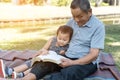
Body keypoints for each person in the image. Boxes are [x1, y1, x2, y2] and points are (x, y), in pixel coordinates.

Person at [19, 0, 105, 80]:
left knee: (71, 72)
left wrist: (71, 63)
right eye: (73, 16)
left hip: (85, 62)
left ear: (90, 12)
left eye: (79, 16)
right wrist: (44, 49)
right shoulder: (71, 22)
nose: (76, 20)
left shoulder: (98, 26)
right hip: (66, 56)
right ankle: (28, 77)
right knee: (43, 63)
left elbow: (94, 55)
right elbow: (59, 38)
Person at [0, 25, 73, 79]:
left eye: (64, 40)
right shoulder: (52, 40)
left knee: (38, 65)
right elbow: (43, 49)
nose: (61, 41)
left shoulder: (67, 47)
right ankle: (11, 70)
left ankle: (21, 74)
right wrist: (44, 51)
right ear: (57, 35)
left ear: (69, 40)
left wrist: (64, 53)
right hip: (45, 57)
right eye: (59, 38)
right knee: (31, 61)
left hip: (51, 63)